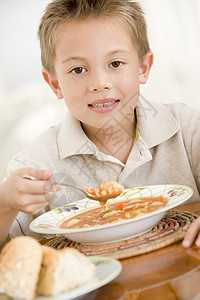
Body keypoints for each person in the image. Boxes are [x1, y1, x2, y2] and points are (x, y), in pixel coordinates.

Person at [0, 0, 200, 249]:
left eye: (115, 64)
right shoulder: (36, 164)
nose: (99, 83)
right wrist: (5, 203)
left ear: (143, 68)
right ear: (54, 84)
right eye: (78, 69)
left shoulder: (187, 129)